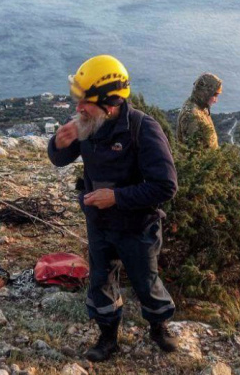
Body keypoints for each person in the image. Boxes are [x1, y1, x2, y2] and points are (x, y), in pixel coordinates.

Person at [47, 55, 179, 362]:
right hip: (99, 223)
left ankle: (159, 327)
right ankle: (108, 337)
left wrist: (116, 197)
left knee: (146, 281)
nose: (78, 108)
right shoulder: (87, 124)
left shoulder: (143, 129)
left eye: (85, 102)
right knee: (101, 281)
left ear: (111, 103)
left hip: (137, 225)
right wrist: (59, 143)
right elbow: (59, 159)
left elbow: (165, 186)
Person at [176, 72, 223, 149]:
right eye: (215, 95)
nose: (216, 100)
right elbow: (195, 153)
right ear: (205, 92)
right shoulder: (192, 116)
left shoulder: (200, 107)